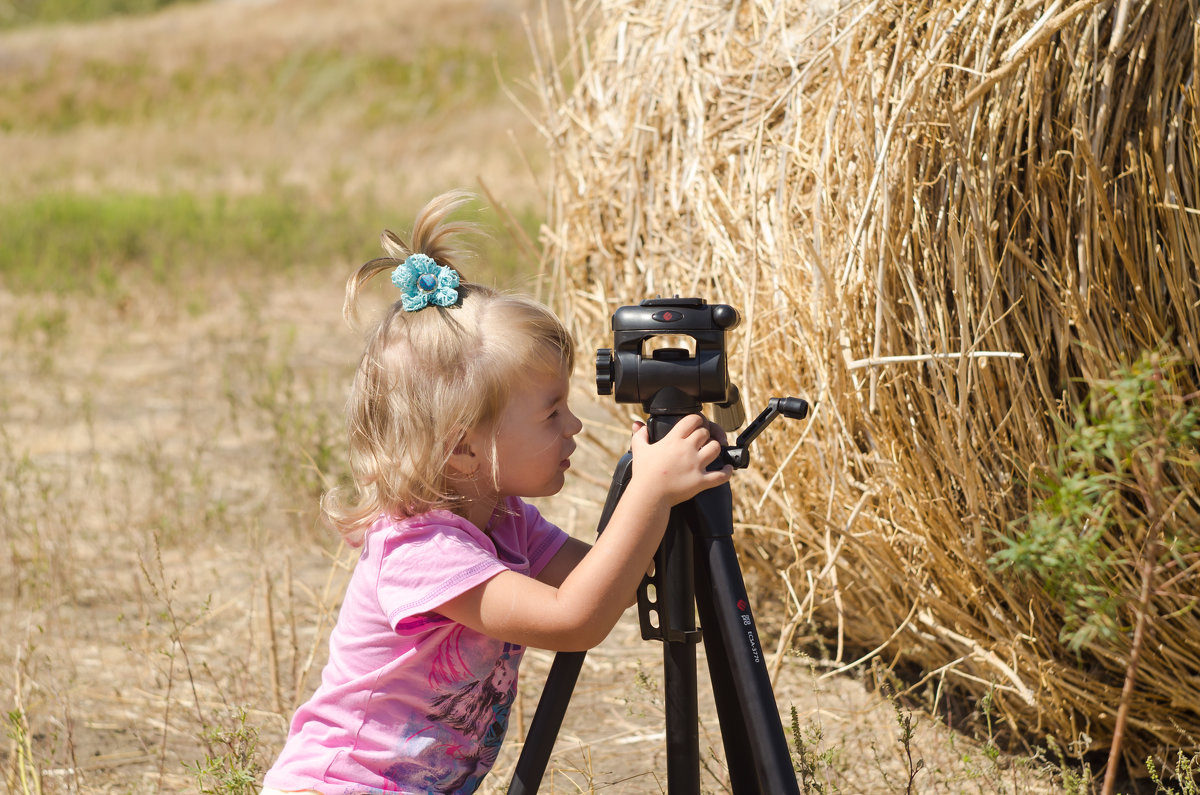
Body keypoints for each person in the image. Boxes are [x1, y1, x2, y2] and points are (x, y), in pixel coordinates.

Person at [260, 190, 731, 794]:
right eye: (551, 412)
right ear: (463, 448)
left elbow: (615, 577)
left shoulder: (507, 521)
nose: (574, 426)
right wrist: (650, 492)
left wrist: (676, 482)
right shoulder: (419, 550)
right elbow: (575, 619)